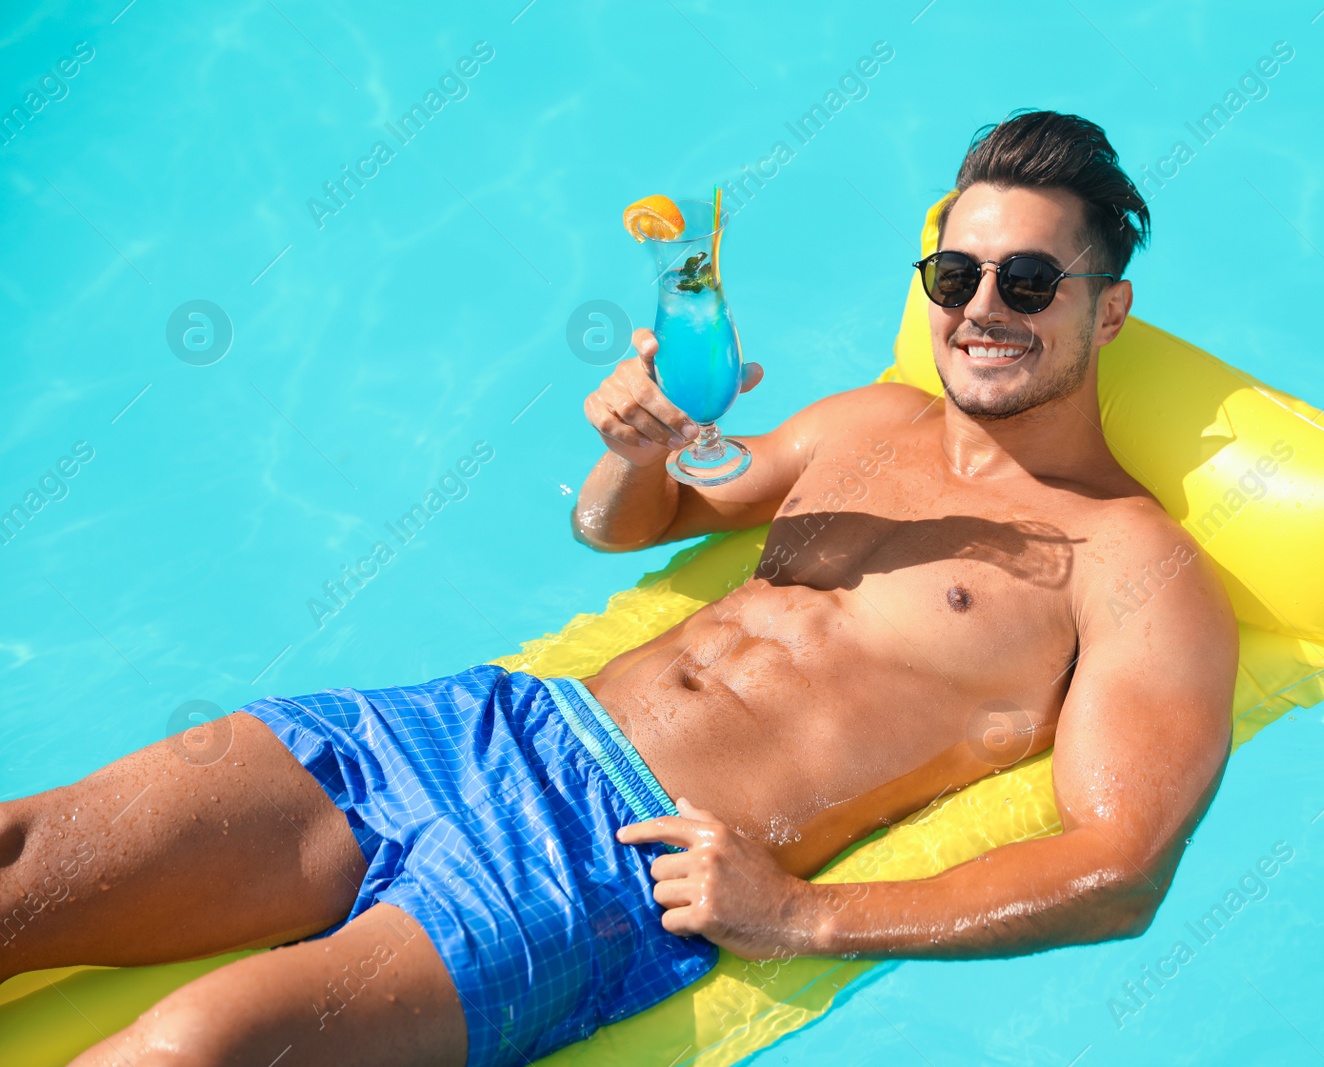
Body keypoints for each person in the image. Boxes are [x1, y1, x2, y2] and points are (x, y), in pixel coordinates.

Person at [0, 110, 1236, 1067]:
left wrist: (805, 913)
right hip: (486, 723)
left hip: (603, 866)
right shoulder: (872, 418)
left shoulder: (1135, 566)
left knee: (188, 1050)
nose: (980, 309)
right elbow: (623, 528)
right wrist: (632, 451)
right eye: (953, 275)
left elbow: (1118, 867)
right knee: (23, 852)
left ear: (1108, 310)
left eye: (1027, 282)